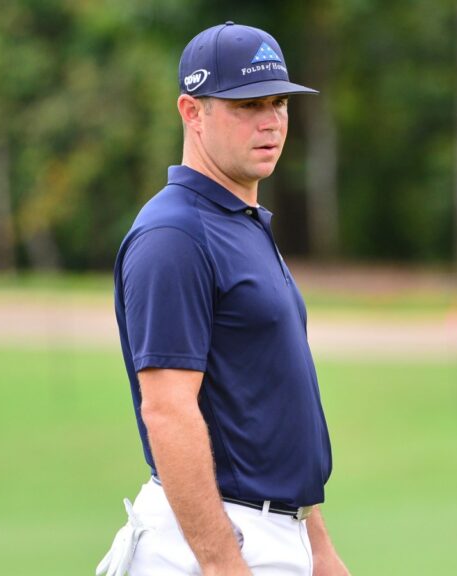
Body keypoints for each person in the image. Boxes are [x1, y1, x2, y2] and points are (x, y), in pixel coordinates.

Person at [96, 21, 349, 576]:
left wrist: (318, 546)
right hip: (216, 542)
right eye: (246, 105)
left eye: (279, 102)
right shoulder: (175, 235)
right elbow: (167, 409)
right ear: (192, 112)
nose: (271, 121)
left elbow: (275, 408)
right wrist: (221, 563)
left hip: (272, 534)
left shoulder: (240, 222)